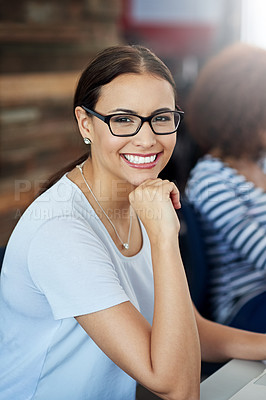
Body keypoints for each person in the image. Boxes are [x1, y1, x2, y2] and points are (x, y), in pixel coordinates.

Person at [0, 45, 266, 400]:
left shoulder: (136, 195)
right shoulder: (61, 232)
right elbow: (178, 388)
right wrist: (164, 235)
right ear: (86, 123)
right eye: (123, 119)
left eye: (161, 117)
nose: (147, 138)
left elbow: (193, 331)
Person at [185, 43, 266, 333]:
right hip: (244, 306)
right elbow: (262, 254)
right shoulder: (210, 179)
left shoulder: (261, 162)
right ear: (242, 115)